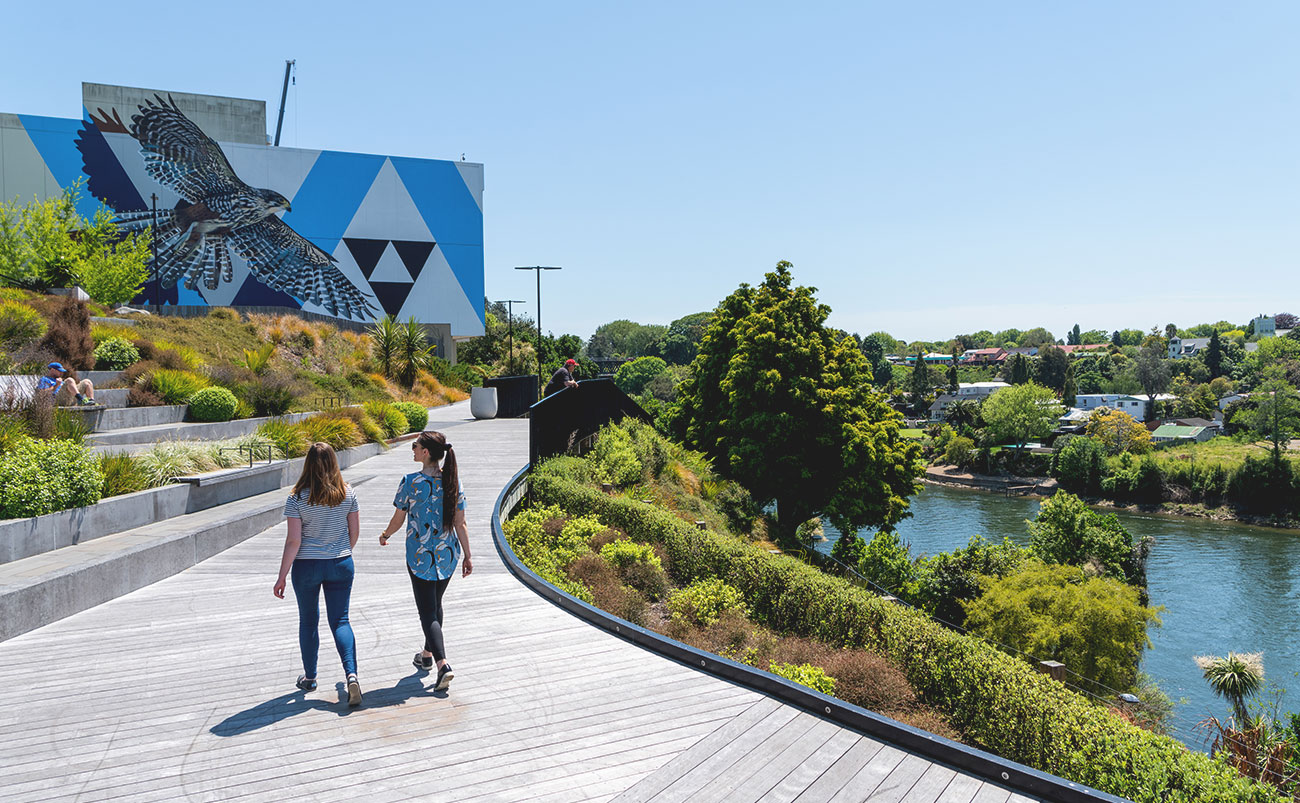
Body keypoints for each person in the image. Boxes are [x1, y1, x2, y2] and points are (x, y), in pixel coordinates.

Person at [379, 430, 472, 691]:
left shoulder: (410, 482)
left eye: (415, 446)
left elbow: (399, 519)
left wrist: (386, 535)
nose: (413, 449)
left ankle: (443, 664)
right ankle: (427, 656)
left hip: (419, 557)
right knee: (436, 604)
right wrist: (468, 555)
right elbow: (460, 523)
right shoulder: (454, 482)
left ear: (426, 453)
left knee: (427, 611)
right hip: (447, 555)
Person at [273, 442, 363, 707]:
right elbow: (354, 532)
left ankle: (310, 678)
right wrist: (342, 551)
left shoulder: (297, 498)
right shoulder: (348, 493)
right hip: (341, 563)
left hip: (307, 566)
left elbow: (293, 541)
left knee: (309, 621)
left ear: (308, 464)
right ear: (334, 462)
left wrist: (281, 576)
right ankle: (351, 674)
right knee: (341, 621)